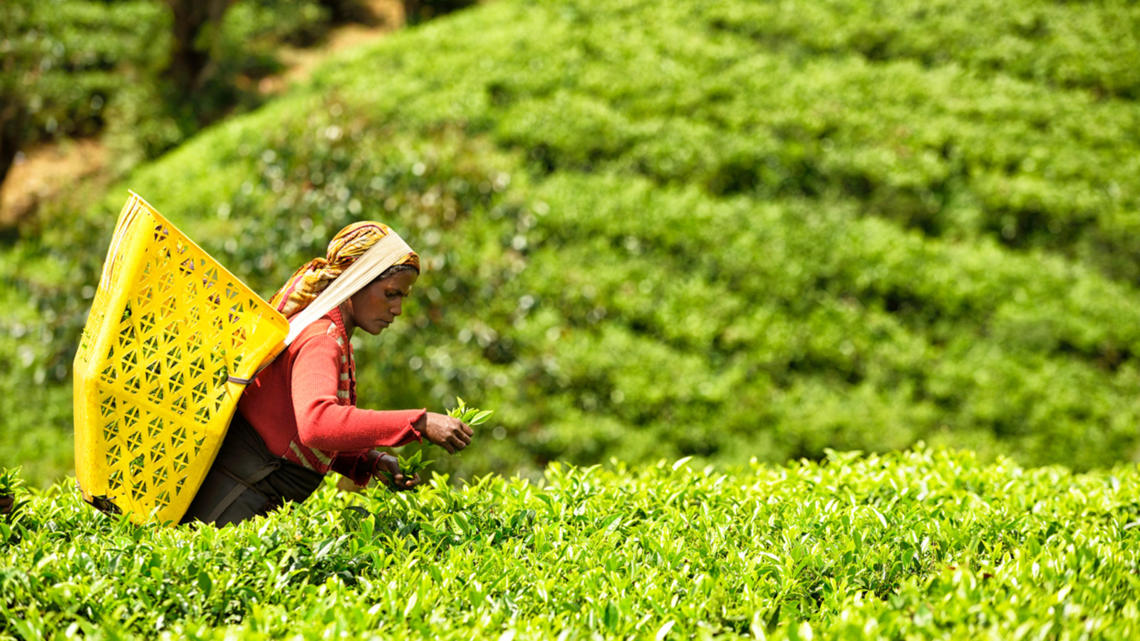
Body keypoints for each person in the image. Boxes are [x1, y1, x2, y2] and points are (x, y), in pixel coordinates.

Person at [181, 222, 473, 526]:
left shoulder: (324, 330)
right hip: (230, 505)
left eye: (402, 297)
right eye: (390, 294)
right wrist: (419, 423)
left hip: (241, 501)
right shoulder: (322, 338)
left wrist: (369, 460)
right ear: (357, 280)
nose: (397, 308)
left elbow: (290, 432)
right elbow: (317, 424)